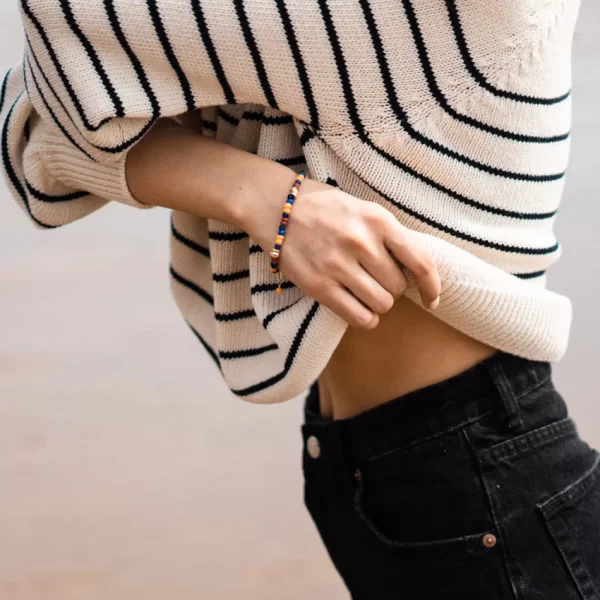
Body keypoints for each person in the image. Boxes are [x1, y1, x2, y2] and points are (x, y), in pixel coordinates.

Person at [2, 0, 598, 597]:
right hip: (420, 470)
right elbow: (41, 139)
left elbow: (64, 46)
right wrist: (264, 196)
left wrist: (265, 201)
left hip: (481, 484)